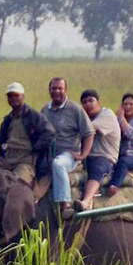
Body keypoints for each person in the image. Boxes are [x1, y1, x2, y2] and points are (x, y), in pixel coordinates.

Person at [38, 76, 92, 210]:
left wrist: (83, 155)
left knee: (58, 164)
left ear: (65, 90)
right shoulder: (45, 110)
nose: (56, 91)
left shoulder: (75, 109)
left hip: (68, 155)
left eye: (60, 88)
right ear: (49, 90)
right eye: (53, 88)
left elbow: (89, 133)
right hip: (48, 154)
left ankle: (65, 203)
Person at [0, 81, 54, 186]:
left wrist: (35, 148)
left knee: (18, 186)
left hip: (25, 161)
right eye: (10, 96)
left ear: (23, 97)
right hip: (8, 159)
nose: (13, 99)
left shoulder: (33, 116)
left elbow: (49, 133)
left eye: (16, 96)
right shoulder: (8, 120)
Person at [76, 90, 120, 207]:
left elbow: (90, 129)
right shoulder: (84, 119)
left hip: (104, 157)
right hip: (86, 157)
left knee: (97, 168)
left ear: (98, 102)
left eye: (91, 100)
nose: (88, 104)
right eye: (84, 102)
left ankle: (85, 201)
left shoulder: (107, 115)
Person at [105, 93, 133, 198]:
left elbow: (131, 134)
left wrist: (121, 118)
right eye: (125, 104)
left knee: (123, 162)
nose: (128, 107)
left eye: (131, 104)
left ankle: (114, 186)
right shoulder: (117, 120)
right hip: (118, 154)